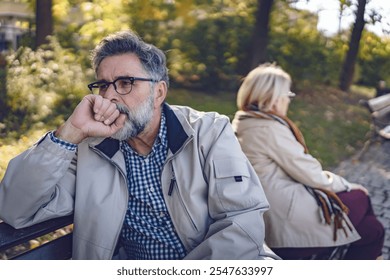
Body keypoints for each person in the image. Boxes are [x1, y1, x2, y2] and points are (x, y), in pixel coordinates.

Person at [0, 30, 274, 260]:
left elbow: (242, 221)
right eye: (104, 85)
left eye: (125, 83)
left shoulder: (209, 131)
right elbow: (15, 209)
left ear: (158, 92)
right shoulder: (90, 147)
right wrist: (70, 132)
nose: (110, 97)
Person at [231, 63, 385, 260]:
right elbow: (311, 175)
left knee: (373, 230)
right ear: (274, 98)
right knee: (361, 198)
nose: (289, 99)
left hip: (268, 208)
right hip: (283, 218)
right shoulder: (268, 128)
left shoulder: (245, 121)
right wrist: (347, 185)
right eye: (287, 94)